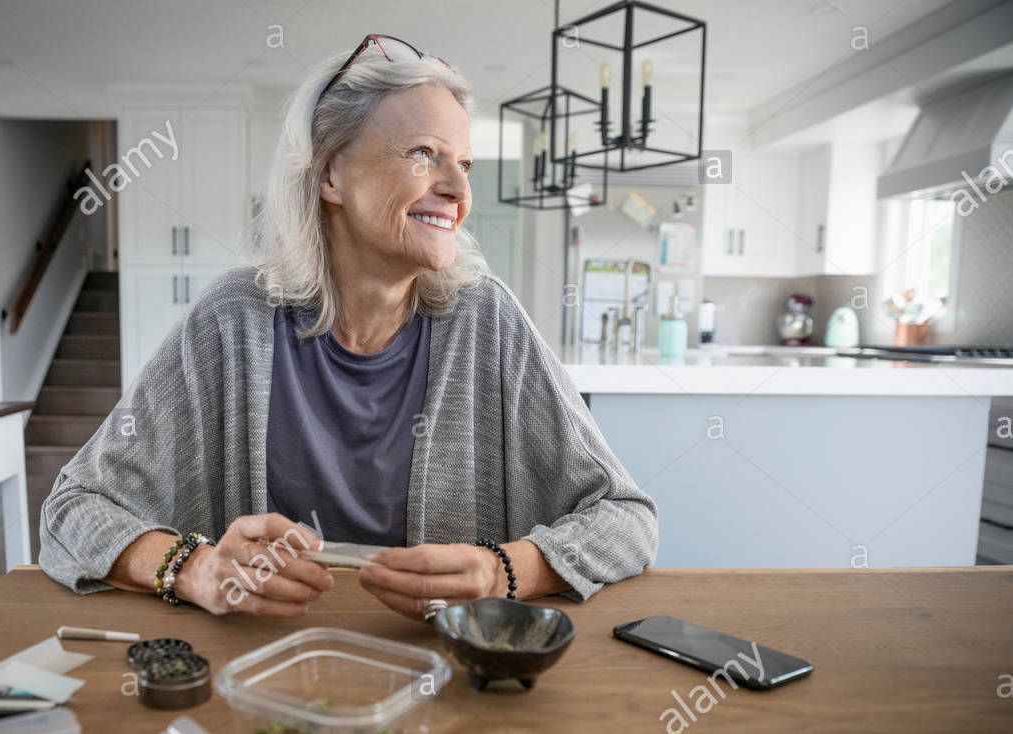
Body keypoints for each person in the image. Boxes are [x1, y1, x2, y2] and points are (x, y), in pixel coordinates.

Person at [39, 34, 657, 621]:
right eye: (424, 154)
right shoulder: (233, 319)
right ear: (330, 175)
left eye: (463, 162)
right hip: (262, 671)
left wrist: (504, 571)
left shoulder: (486, 320)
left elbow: (627, 520)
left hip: (440, 677)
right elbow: (72, 510)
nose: (459, 189)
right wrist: (194, 569)